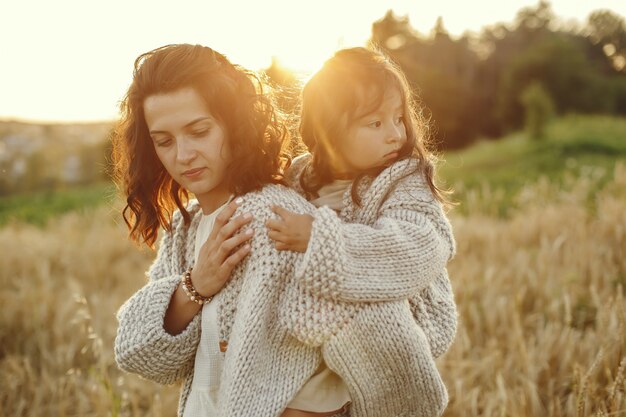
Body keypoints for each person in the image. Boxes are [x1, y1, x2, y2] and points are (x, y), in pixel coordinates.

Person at [112, 43, 353, 417]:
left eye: (199, 131)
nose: (183, 154)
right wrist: (196, 284)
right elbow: (143, 356)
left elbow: (331, 357)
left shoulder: (275, 216)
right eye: (164, 141)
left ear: (236, 125)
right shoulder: (184, 228)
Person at [266, 47, 458, 417]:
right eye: (375, 123)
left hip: (387, 333)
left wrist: (317, 238)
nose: (395, 135)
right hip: (310, 337)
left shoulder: (405, 179)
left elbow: (418, 248)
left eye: (399, 119)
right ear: (329, 130)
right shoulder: (296, 180)